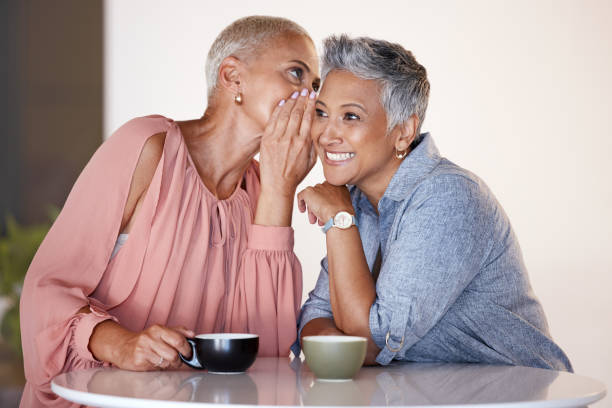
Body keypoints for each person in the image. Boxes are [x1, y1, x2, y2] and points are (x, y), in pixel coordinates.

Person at [20, 16, 320, 407]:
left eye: (315, 86)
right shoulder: (147, 147)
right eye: (296, 73)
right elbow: (45, 290)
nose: (310, 97)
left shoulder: (264, 187)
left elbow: (269, 356)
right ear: (232, 78)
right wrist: (121, 343)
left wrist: (281, 189)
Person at [295, 34, 572, 371]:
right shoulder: (358, 199)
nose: (326, 134)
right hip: (427, 395)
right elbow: (316, 315)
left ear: (404, 131)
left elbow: (369, 344)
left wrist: (339, 220)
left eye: (350, 117)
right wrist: (347, 341)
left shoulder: (449, 197)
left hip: (520, 397)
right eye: (321, 113)